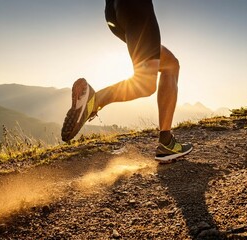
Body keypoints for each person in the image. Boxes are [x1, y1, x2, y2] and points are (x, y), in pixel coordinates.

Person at [61, 0, 193, 163]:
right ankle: (96, 100)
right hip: (136, 7)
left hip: (114, 12)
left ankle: (166, 142)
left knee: (170, 64)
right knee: (145, 84)